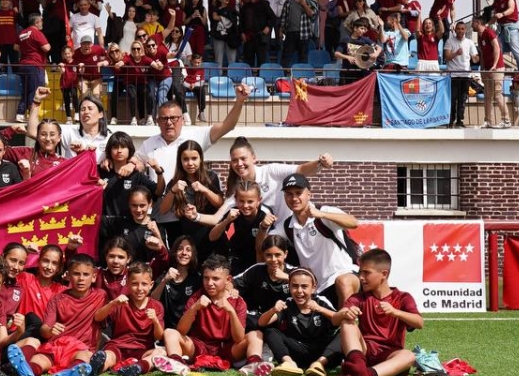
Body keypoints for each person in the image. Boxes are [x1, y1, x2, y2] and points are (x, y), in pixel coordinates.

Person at [135, 85, 249, 245]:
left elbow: (226, 126)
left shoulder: (196, 135)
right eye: (164, 118)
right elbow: (136, 162)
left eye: (173, 118)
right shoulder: (149, 143)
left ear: (182, 119)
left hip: (192, 216)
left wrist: (239, 101)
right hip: (163, 217)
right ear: (157, 121)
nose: (169, 122)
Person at [5, 254, 107, 376]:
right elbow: (44, 329)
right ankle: (28, 371)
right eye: (76, 274)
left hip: (81, 348)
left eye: (85, 275)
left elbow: (100, 321)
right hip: (57, 345)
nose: (81, 279)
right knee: (40, 359)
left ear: (93, 277)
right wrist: (51, 330)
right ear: (68, 276)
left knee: (85, 357)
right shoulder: (57, 299)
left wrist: (114, 304)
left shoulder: (100, 296)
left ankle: (68, 373)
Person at [335, 248, 423, 376]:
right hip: (364, 353)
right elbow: (335, 319)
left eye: (366, 272)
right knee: (346, 322)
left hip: (389, 358)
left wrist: (396, 312)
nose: (361, 277)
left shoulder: (403, 298)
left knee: (409, 356)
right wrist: (345, 313)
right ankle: (359, 366)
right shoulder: (359, 297)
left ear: (384, 274)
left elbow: (419, 323)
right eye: (360, 272)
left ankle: (365, 375)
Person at [274, 173, 360, 306]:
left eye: (298, 193)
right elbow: (265, 244)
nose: (294, 198)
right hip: (316, 288)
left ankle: (349, 323)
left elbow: (354, 222)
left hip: (344, 274)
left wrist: (322, 215)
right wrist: (263, 227)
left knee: (343, 282)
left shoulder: (324, 211)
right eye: (289, 194)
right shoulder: (287, 226)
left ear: (309, 194)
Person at [161, 255, 249, 371]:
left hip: (227, 349)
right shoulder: (197, 297)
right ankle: (176, 364)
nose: (209, 283)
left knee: (255, 335)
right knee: (169, 332)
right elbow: (181, 331)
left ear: (228, 280)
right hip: (200, 347)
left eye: (215, 278)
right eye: (206, 278)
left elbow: (239, 338)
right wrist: (194, 308)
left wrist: (231, 311)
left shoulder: (238, 302)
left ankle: (255, 364)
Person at [257, 267, 343, 376]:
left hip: (324, 353)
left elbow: (339, 320)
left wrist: (320, 309)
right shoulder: (287, 303)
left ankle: (318, 365)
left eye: (304, 286)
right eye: (295, 286)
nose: (299, 291)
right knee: (270, 331)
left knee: (345, 332)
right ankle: (289, 363)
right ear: (289, 287)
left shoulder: (321, 301)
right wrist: (273, 310)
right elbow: (262, 323)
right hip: (297, 352)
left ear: (313, 288)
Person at [93, 261, 167, 376]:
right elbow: (97, 317)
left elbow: (158, 336)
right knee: (109, 355)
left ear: (151, 285)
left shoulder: (156, 306)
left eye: (144, 284)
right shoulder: (121, 302)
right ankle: (97, 367)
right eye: (134, 284)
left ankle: (138, 367)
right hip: (118, 347)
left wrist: (155, 321)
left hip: (142, 349)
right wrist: (112, 303)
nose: (139, 288)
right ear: (127, 284)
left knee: (160, 353)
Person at [208, 181, 275, 277]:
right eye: (241, 201)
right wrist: (226, 221)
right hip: (237, 259)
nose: (245, 206)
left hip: (258, 259)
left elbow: (263, 249)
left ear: (259, 200)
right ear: (236, 200)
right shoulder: (233, 210)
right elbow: (212, 237)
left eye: (250, 201)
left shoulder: (265, 214)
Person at [473, 13, 510, 129]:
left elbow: (496, 48)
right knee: (487, 95)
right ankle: (488, 120)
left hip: (496, 68)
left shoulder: (489, 32)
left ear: (478, 23)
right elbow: (483, 53)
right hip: (487, 70)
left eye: (473, 22)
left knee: (497, 94)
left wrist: (494, 65)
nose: (471, 25)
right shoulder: (480, 36)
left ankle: (506, 120)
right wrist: (482, 69)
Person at [15, 13, 50, 123]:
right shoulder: (36, 32)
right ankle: (31, 115)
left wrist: (27, 50)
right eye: (41, 21)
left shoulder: (22, 33)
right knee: (35, 91)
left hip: (23, 65)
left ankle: (20, 114)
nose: (42, 23)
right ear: (36, 22)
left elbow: (16, 47)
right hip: (35, 65)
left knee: (26, 90)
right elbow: (47, 48)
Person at [443, 19, 478, 128]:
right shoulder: (450, 41)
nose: (460, 31)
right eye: (458, 29)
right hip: (453, 75)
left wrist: (475, 58)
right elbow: (447, 58)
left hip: (465, 75)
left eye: (462, 29)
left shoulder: (470, 42)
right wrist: (456, 53)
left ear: (465, 30)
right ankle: (450, 121)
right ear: (455, 29)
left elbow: (476, 58)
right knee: (452, 99)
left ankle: (460, 121)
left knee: (462, 100)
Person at [280, 0, 319, 66]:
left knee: (303, 57)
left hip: (304, 34)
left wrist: (304, 4)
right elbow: (283, 18)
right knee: (286, 56)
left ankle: (302, 77)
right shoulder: (288, 2)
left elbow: (313, 16)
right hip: (290, 33)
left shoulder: (310, 1)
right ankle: (284, 75)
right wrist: (280, 30)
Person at [492, 0, 519, 77]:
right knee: (497, 48)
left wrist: (502, 14)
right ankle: (498, 67)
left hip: (511, 28)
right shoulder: (496, 1)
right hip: (502, 29)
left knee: (516, 51)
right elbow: (494, 15)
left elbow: (511, 9)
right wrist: (488, 24)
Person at [335, 18, 382, 84]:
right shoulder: (346, 39)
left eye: (364, 29)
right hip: (347, 72)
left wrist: (376, 54)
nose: (363, 31)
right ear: (355, 28)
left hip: (361, 72)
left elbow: (379, 47)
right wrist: (348, 57)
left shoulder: (365, 40)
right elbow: (336, 54)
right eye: (361, 28)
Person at [0, 0, 20, 72]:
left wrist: (18, 14)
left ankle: (18, 82)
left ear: (10, 2)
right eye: (3, 0)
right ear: (0, 2)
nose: (5, 1)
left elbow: (22, 24)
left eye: (7, 0)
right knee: (2, 65)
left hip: (13, 42)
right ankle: (3, 81)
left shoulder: (13, 12)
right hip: (0, 42)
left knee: (15, 64)